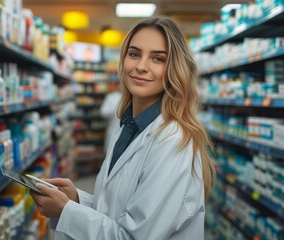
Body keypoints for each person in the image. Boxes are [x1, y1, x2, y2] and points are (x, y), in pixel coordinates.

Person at [30, 16, 216, 239]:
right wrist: (78, 201)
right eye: (134, 54)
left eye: (157, 59)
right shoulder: (127, 126)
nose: (140, 66)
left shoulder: (172, 140)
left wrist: (67, 212)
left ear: (174, 69)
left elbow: (132, 236)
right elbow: (118, 210)